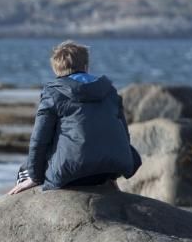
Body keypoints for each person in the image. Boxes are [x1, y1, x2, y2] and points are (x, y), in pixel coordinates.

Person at [8, 40, 141, 195]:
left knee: (24, 171)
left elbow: (39, 140)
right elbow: (124, 134)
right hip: (112, 170)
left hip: (74, 174)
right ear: (86, 66)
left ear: (56, 70)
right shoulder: (109, 91)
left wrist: (35, 178)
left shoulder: (54, 93)